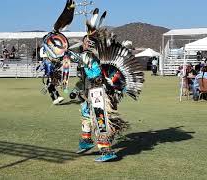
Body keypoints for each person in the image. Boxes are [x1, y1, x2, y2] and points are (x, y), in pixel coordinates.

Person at [39, 3, 144, 162]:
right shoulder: (87, 56)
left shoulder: (89, 56)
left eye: (88, 41)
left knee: (100, 119)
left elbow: (77, 59)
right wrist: (76, 89)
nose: (86, 43)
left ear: (93, 43)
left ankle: (106, 151)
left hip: (98, 91)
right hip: (90, 90)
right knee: (85, 113)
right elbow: (84, 77)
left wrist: (61, 50)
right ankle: (86, 140)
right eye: (85, 41)